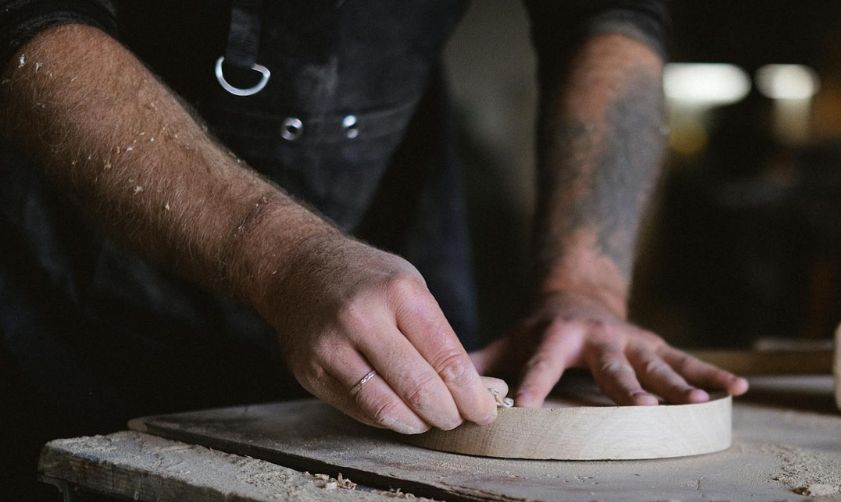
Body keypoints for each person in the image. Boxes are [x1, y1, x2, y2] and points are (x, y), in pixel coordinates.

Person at [0, 1, 747, 452]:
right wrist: (283, 257)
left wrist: (585, 283)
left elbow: (606, 16)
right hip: (81, 311)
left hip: (398, 268)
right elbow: (25, 20)